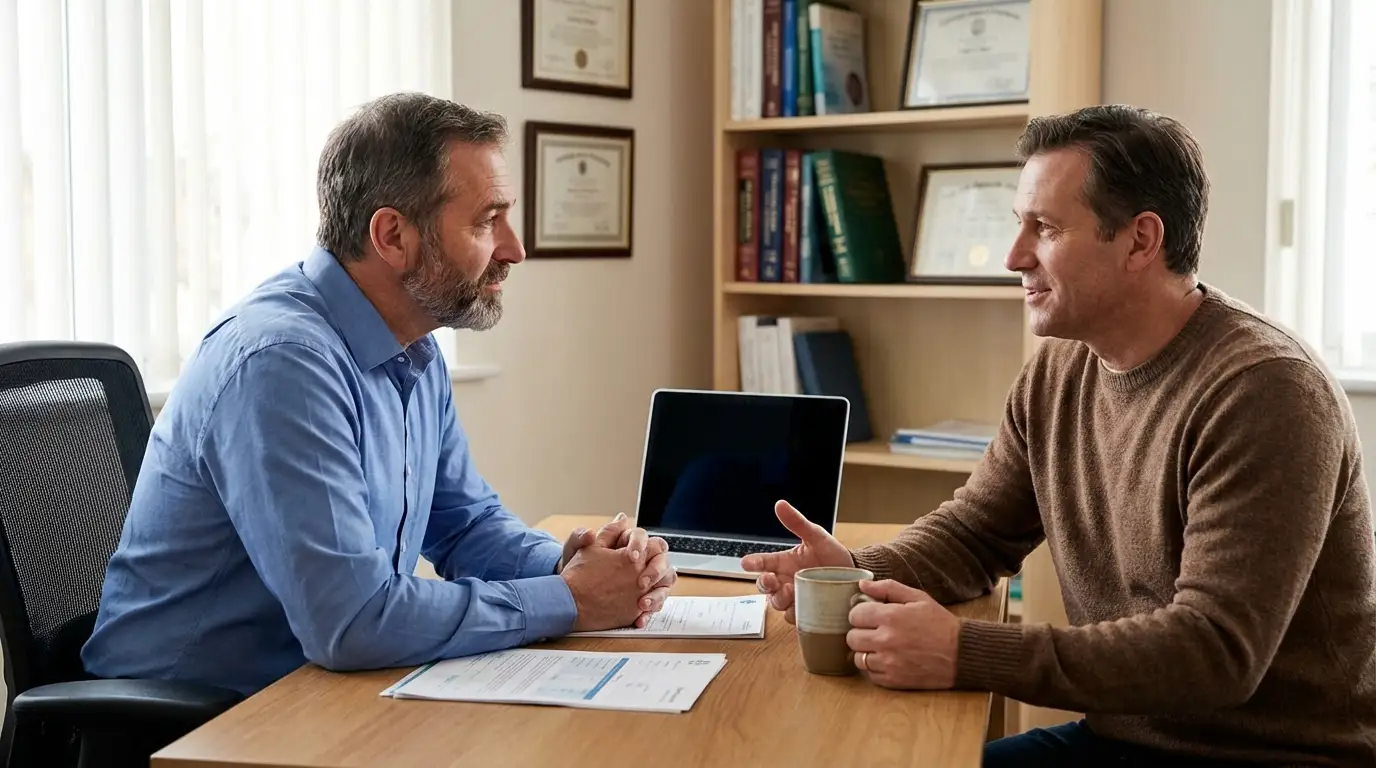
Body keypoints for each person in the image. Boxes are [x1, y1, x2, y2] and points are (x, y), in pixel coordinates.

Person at [744, 104, 1376, 766]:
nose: (1015, 256)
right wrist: (854, 570)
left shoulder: (1265, 392)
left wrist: (965, 651)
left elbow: (1214, 650)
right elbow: (976, 534)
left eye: (1044, 229)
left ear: (1140, 240)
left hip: (1274, 756)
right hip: (1125, 739)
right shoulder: (1063, 365)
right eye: (1019, 226)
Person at [82, 92, 676, 697]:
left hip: (315, 696)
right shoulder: (285, 365)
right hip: (189, 725)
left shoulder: (411, 346)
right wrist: (570, 600)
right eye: (486, 220)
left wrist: (574, 566)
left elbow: (464, 524)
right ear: (393, 235)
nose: (514, 249)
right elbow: (353, 622)